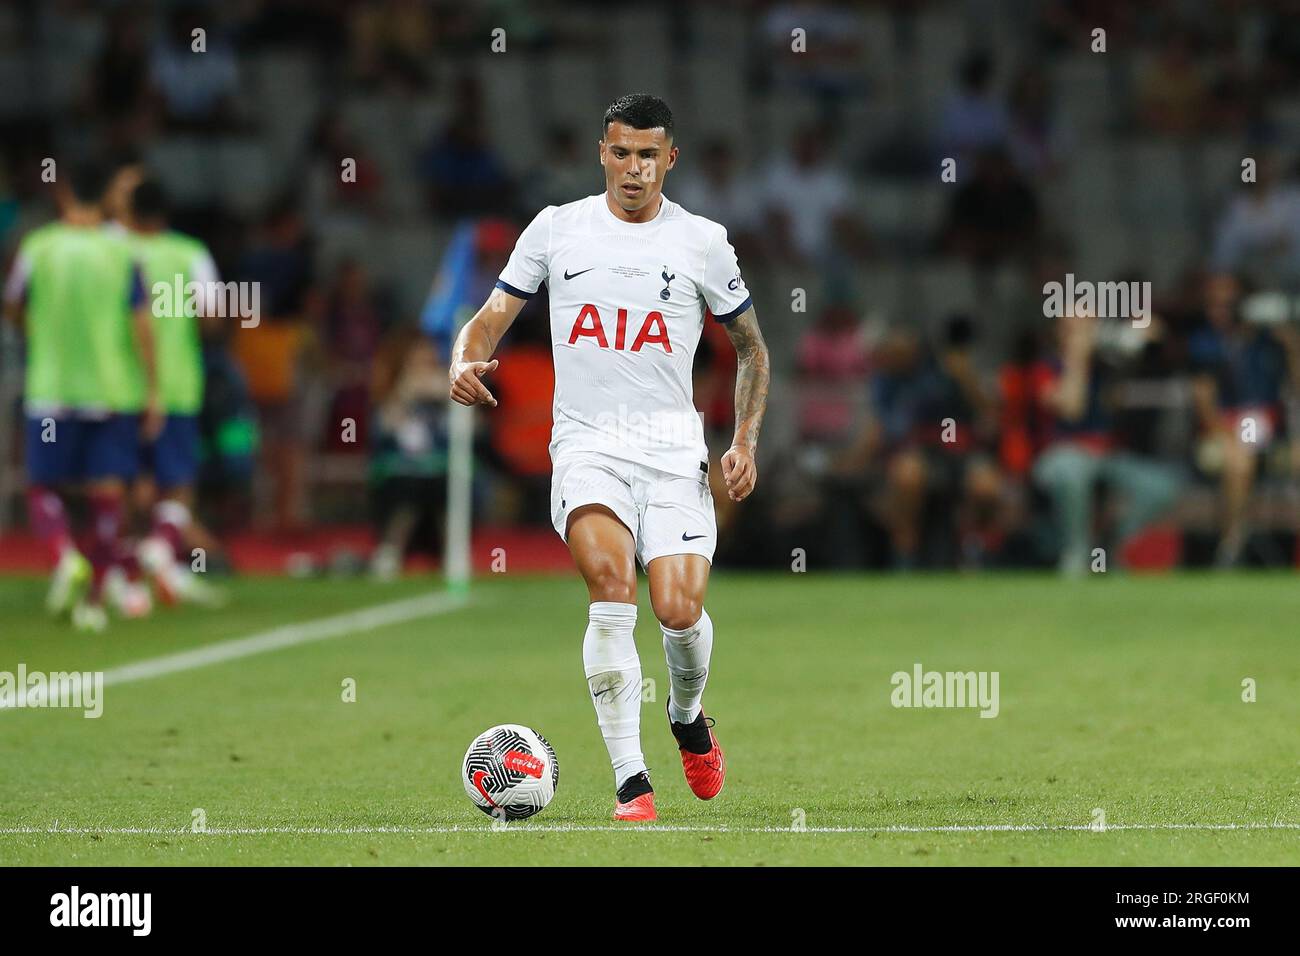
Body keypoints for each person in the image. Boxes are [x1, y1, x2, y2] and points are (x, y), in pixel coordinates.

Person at [448, 94, 769, 821]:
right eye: (621, 152)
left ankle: (687, 716)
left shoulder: (703, 243)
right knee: (609, 587)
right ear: (602, 153)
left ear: (670, 160)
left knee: (678, 611)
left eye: (648, 155)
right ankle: (632, 781)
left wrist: (743, 439)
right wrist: (464, 360)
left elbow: (750, 348)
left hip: (671, 451)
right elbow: (491, 316)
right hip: (587, 446)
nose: (634, 168)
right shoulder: (557, 229)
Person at [3, 160, 161, 630]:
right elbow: (141, 324)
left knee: (43, 485)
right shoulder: (122, 252)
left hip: (51, 391)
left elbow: (12, 305)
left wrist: (38, 333)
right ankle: (97, 596)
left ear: (63, 191)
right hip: (110, 390)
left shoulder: (38, 247)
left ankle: (65, 556)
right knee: (107, 491)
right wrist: (152, 388)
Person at [125, 178, 225, 606]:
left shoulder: (115, 250)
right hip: (178, 385)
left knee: (129, 485)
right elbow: (213, 316)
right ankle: (164, 554)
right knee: (178, 484)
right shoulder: (190, 253)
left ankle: (128, 577)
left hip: (122, 385)